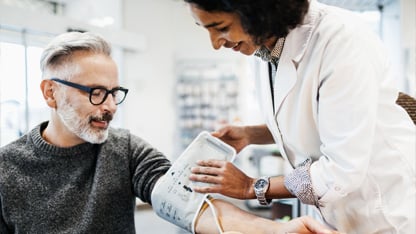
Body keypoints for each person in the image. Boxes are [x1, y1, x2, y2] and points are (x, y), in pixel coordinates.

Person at [0, 31, 339, 234]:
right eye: (95, 92)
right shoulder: (7, 168)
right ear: (50, 93)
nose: (110, 107)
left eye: (114, 92)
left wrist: (275, 230)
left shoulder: (125, 149)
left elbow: (190, 205)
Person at [184, 0, 416, 233]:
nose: (215, 43)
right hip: (338, 213)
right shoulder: (265, 48)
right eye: (205, 28)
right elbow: (310, 119)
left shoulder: (342, 40)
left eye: (222, 28)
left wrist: (253, 187)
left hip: (389, 213)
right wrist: (252, 134)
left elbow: (342, 169)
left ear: (259, 10)